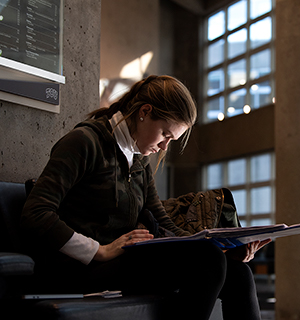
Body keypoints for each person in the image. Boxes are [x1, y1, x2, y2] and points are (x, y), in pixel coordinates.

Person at [20, 75, 269, 320]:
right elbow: (36, 213)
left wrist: (226, 249)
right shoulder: (85, 142)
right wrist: (100, 251)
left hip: (120, 264)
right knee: (208, 261)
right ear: (145, 112)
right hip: (80, 267)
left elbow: (166, 226)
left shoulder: (138, 160)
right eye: (165, 135)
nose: (164, 147)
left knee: (238, 272)